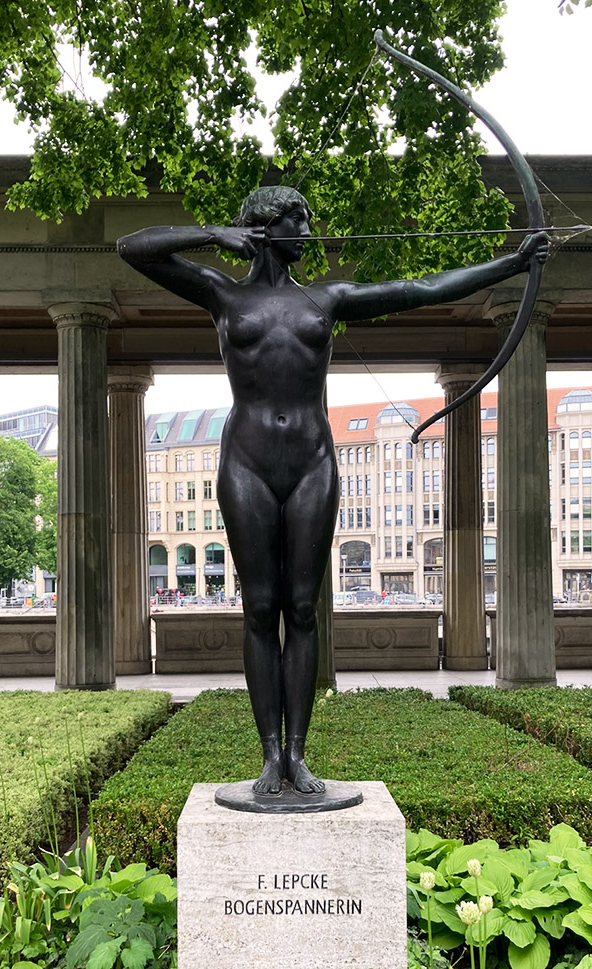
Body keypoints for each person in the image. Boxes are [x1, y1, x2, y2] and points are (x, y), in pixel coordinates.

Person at [118, 186, 548, 795]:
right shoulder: (222, 293)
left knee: (301, 606)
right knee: (260, 609)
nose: (308, 230)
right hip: (246, 463)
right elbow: (132, 249)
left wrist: (512, 263)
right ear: (265, 226)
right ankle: (270, 756)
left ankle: (298, 753)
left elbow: (421, 289)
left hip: (313, 464)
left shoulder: (327, 298)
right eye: (298, 219)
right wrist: (214, 234)